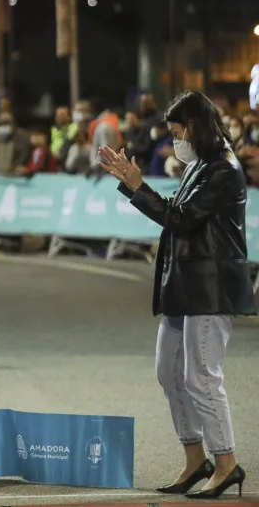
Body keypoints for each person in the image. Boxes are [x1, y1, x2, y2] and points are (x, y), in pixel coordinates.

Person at [98, 91, 253, 499]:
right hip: (185, 286)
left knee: (201, 378)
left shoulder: (223, 169)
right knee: (169, 373)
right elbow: (176, 212)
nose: (173, 139)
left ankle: (226, 464)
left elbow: (180, 219)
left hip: (209, 287)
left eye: (177, 130)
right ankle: (195, 459)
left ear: (196, 126)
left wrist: (137, 186)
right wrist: (136, 187)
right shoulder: (199, 165)